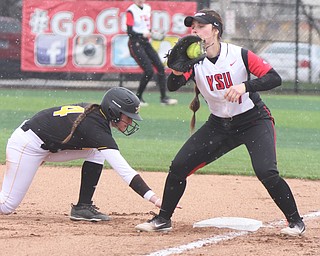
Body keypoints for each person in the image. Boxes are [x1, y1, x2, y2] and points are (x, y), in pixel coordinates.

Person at [135, 9, 305, 236]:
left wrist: (245, 86)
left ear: (215, 30)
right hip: (219, 125)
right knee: (178, 167)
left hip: (253, 121)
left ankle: (296, 222)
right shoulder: (194, 61)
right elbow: (173, 86)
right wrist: (176, 70)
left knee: (266, 171)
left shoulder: (238, 54)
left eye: (201, 26)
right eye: (193, 26)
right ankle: (163, 219)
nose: (195, 30)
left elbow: (274, 78)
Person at [0, 87, 162, 221]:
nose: (131, 122)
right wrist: (154, 198)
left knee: (97, 151)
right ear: (114, 112)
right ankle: (82, 207)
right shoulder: (96, 130)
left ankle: (83, 207)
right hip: (27, 145)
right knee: (6, 206)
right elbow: (124, 170)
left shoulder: (97, 116)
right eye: (128, 117)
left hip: (45, 144)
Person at [126, 0, 178, 106]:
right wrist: (142, 34)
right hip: (135, 43)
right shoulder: (131, 11)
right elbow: (130, 32)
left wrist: (151, 33)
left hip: (145, 43)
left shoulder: (147, 8)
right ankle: (138, 98)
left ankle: (164, 98)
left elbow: (146, 27)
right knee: (149, 71)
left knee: (160, 68)